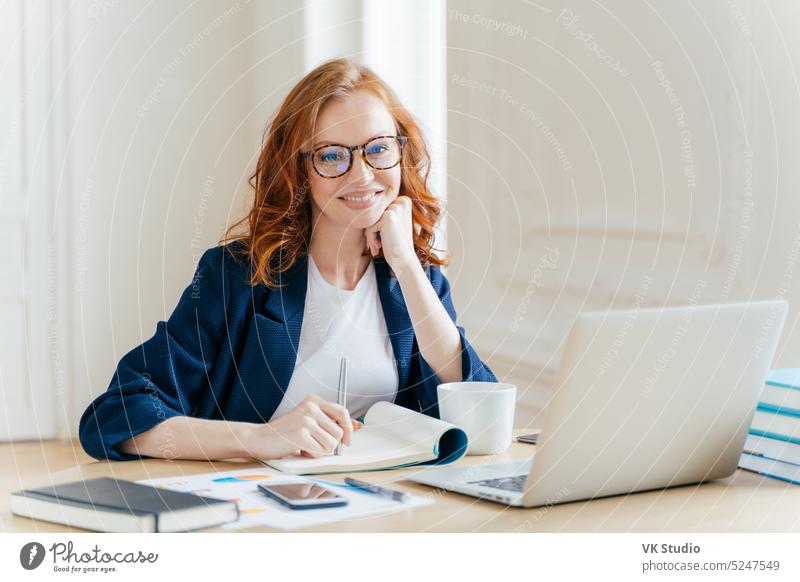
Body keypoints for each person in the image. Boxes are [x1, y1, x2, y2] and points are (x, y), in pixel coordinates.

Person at [78, 58, 497, 462]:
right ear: (299, 171)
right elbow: (114, 417)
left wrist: (406, 264)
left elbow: (478, 412)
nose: (363, 174)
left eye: (378, 148)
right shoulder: (236, 277)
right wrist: (259, 438)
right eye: (332, 155)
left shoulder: (415, 279)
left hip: (382, 509)